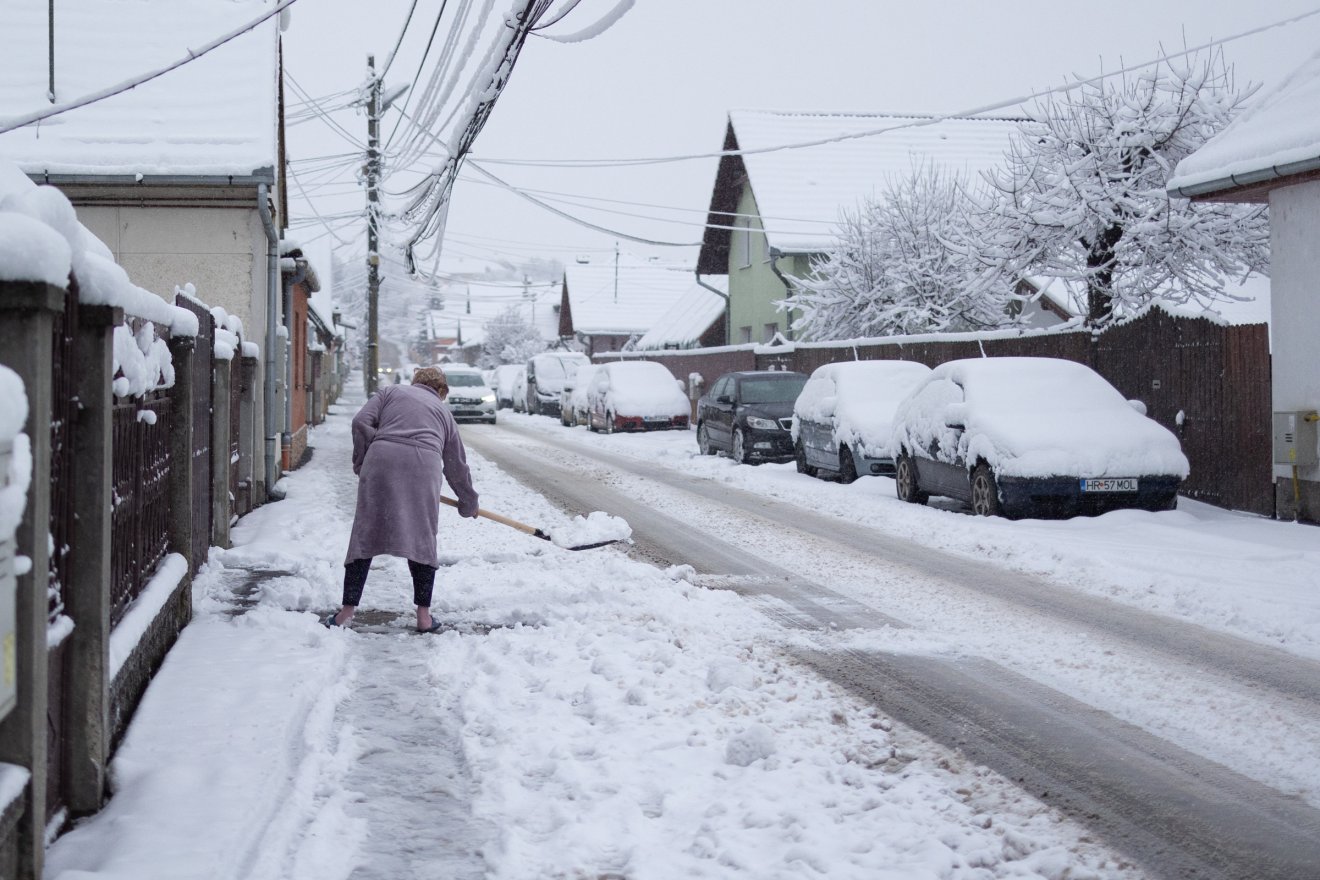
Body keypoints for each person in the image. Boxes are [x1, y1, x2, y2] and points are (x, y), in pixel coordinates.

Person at [325, 366, 479, 633]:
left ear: (415, 382)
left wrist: (365, 461)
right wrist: (468, 501)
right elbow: (456, 463)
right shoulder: (443, 412)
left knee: (365, 535)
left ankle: (346, 614)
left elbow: (360, 421)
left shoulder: (389, 392)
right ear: (441, 391)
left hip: (381, 462)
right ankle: (424, 617)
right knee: (422, 538)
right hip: (423, 469)